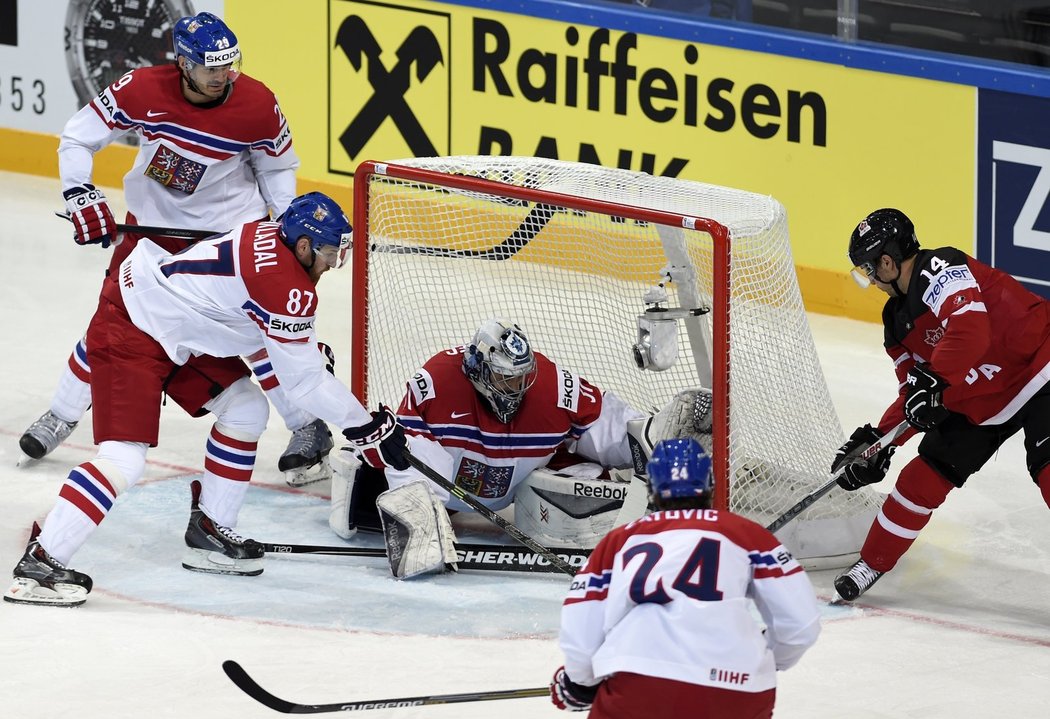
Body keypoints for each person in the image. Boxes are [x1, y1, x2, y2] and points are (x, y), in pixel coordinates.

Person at [3, 192, 408, 607]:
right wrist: (366, 428)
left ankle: (210, 531)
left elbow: (253, 329)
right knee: (123, 458)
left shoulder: (270, 239)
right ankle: (41, 563)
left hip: (173, 328)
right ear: (302, 246)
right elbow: (303, 382)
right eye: (327, 253)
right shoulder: (284, 283)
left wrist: (302, 354)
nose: (332, 264)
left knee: (246, 409)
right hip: (132, 328)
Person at [19, 11, 334, 487]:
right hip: (150, 234)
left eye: (230, 65)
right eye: (212, 68)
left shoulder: (257, 103)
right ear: (183, 65)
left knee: (262, 332)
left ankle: (308, 425)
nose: (225, 76)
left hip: (228, 238)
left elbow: (276, 167)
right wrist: (79, 191)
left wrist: (287, 224)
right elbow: (78, 136)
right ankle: (63, 413)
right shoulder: (141, 89)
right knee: (115, 324)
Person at [328, 319, 712, 577]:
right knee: (393, 458)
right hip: (448, 489)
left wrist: (652, 439)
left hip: (519, 485)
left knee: (591, 470)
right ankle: (421, 527)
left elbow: (607, 424)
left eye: (522, 377)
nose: (517, 388)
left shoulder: (551, 386)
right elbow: (403, 452)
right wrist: (408, 490)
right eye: (505, 379)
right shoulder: (436, 381)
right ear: (477, 368)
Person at [830, 207, 1050, 601]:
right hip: (978, 399)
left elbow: (971, 330)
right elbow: (914, 393)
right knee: (920, 479)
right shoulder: (896, 322)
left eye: (869, 269)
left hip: (1040, 368)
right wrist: (881, 441)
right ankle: (872, 563)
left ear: (887, 262)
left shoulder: (939, 267)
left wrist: (935, 378)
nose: (871, 280)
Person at [550, 438, 821, 719]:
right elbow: (801, 626)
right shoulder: (749, 534)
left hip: (645, 680)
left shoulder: (621, 539)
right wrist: (768, 657)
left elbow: (582, 620)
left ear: (651, 486)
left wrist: (580, 681)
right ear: (709, 484)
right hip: (737, 685)